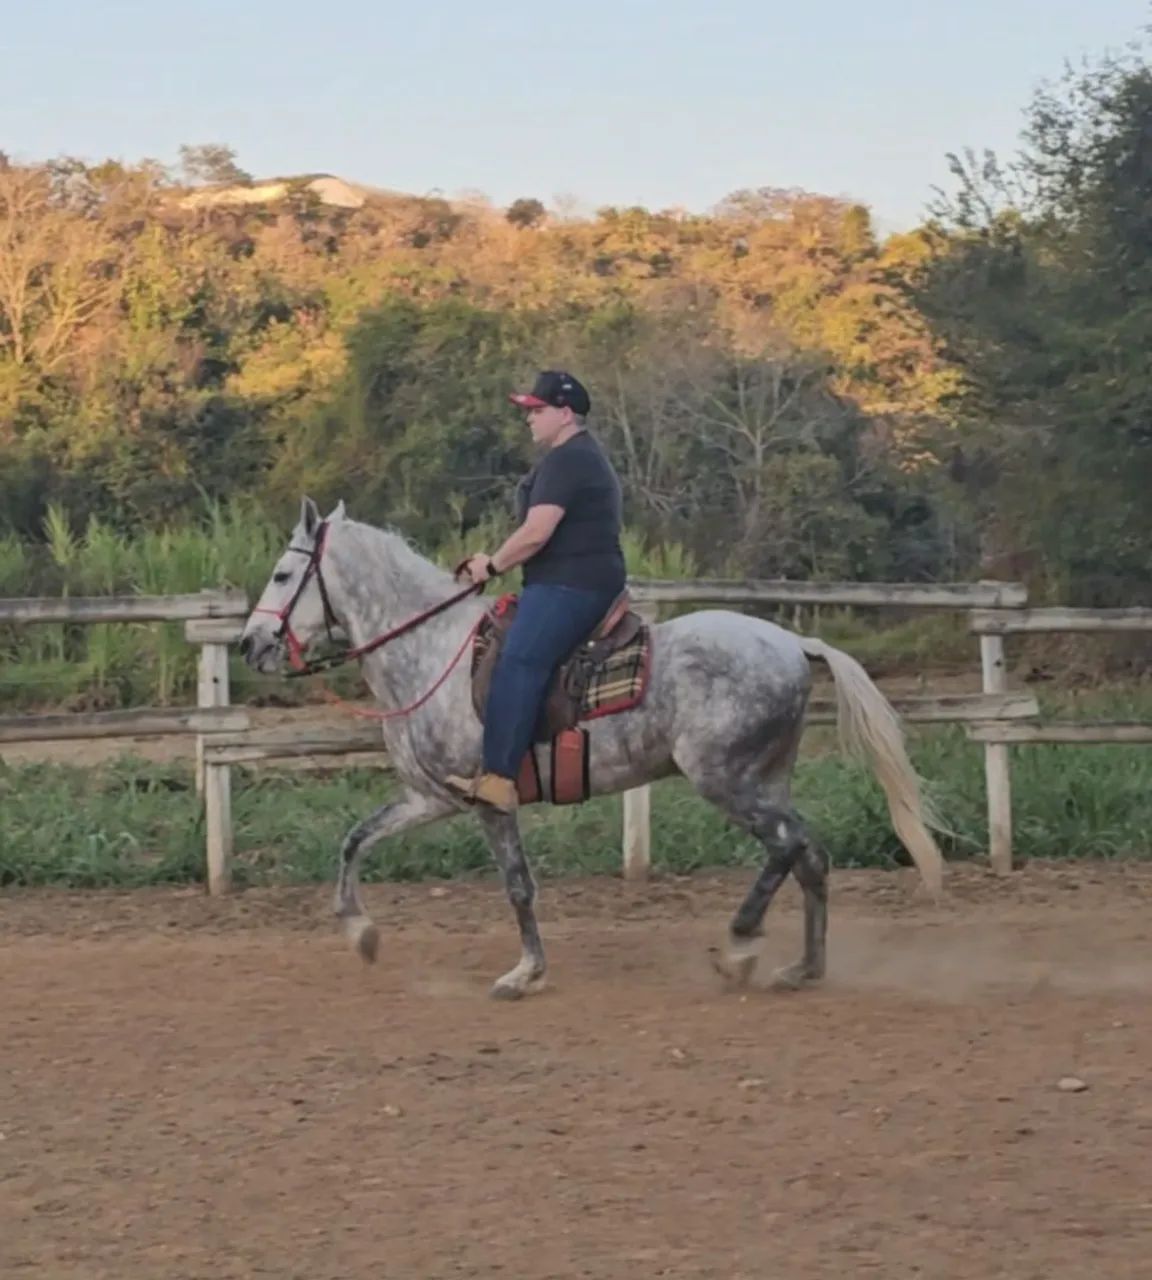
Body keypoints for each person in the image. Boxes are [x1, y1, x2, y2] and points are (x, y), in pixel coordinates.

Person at [445, 370, 626, 811]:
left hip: (573, 583)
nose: (529, 418)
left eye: (537, 410)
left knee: (520, 658)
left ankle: (499, 777)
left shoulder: (569, 460)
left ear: (565, 414)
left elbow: (536, 532)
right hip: (569, 579)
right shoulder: (571, 457)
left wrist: (491, 564)